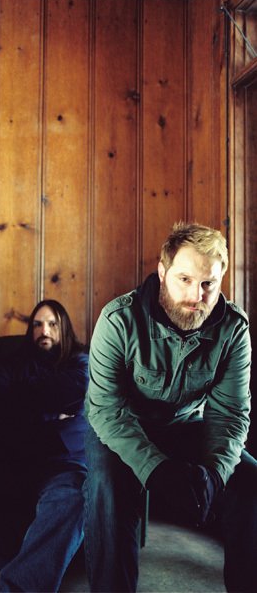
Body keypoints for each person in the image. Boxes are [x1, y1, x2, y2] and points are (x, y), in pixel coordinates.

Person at [83, 222, 257, 592]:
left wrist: (215, 474)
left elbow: (229, 415)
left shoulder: (234, 329)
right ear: (163, 273)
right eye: (185, 279)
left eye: (208, 283)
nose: (197, 295)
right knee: (106, 488)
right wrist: (157, 470)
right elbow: (106, 410)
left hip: (186, 425)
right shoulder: (118, 320)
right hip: (121, 430)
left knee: (251, 482)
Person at [0, 299, 88, 592]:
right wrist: (50, 411)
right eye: (38, 324)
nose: (45, 331)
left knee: (75, 498)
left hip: (65, 463)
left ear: (64, 328)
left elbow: (75, 387)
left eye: (52, 324)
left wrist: (20, 402)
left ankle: (14, 588)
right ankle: (0, 583)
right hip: (16, 460)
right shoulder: (14, 363)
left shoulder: (82, 362)